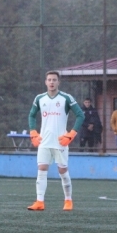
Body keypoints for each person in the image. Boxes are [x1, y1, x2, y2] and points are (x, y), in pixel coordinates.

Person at [26, 71, 84, 211]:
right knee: (41, 169)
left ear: (59, 82)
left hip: (60, 142)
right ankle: (40, 201)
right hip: (44, 142)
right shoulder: (40, 98)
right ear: (45, 82)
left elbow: (80, 115)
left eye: (54, 80)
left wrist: (70, 134)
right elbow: (31, 115)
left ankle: (68, 200)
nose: (51, 82)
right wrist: (33, 132)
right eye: (49, 80)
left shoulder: (66, 98)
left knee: (63, 171)